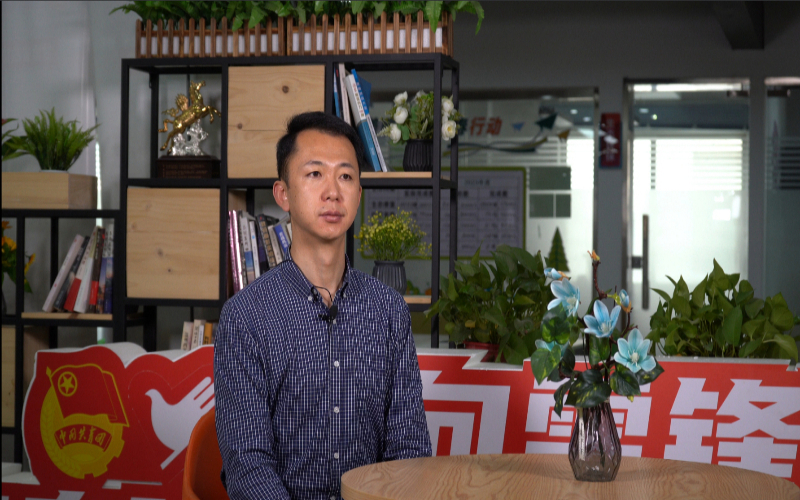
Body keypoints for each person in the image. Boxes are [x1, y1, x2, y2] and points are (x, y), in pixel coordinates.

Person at [214, 111, 432, 500]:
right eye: (315, 174)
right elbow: (248, 467)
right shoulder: (245, 317)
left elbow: (409, 450)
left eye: (345, 176)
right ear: (283, 194)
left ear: (359, 194)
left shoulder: (388, 311)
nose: (333, 192)